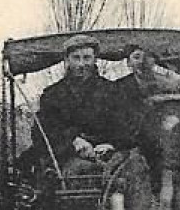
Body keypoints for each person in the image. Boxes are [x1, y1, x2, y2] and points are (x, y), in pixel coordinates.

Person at [36, 33, 120, 175]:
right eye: (76, 58)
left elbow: (124, 125)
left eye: (87, 58)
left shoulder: (112, 91)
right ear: (67, 60)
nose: (81, 64)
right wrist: (73, 141)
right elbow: (44, 131)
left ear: (95, 59)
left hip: (108, 155)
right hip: (66, 156)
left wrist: (111, 145)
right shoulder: (52, 95)